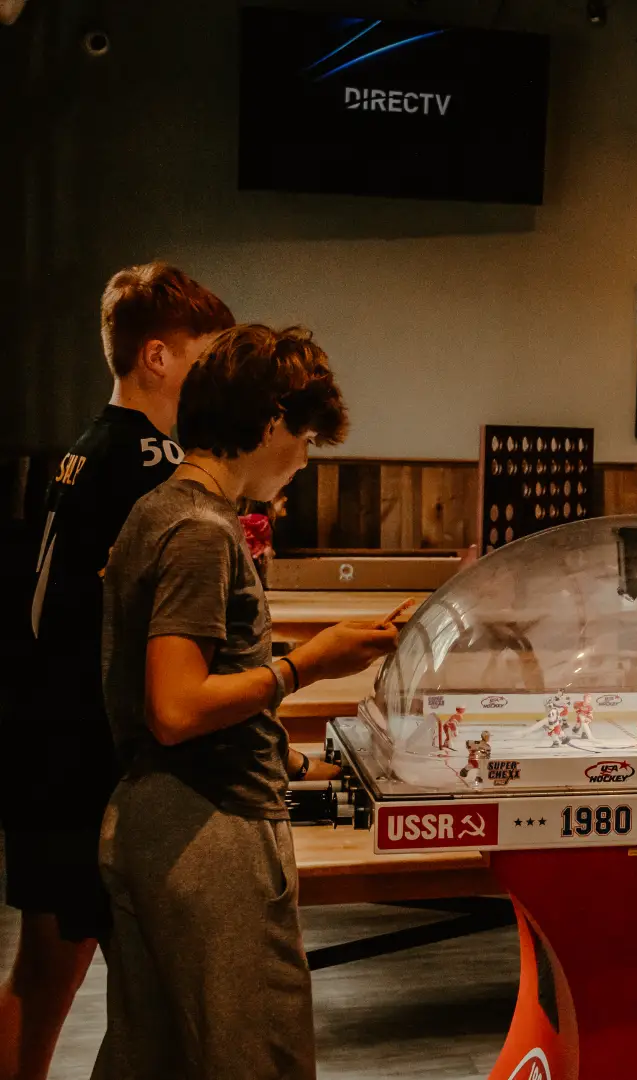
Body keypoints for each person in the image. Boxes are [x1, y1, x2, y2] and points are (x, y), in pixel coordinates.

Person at [92, 324, 398, 1080]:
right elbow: (176, 707)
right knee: (259, 1058)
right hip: (211, 832)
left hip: (152, 822)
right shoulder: (203, 530)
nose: (304, 460)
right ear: (270, 422)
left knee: (153, 1058)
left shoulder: (157, 508)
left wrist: (291, 756)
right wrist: (306, 666)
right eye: (306, 439)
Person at [0, 263, 234, 1080]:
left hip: (44, 735)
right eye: (207, 356)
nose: (218, 376)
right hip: (86, 751)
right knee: (129, 983)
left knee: (45, 971)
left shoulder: (82, 448)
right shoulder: (155, 465)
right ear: (158, 357)